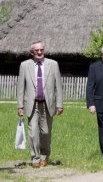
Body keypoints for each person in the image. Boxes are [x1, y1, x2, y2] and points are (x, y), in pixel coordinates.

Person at [17, 40, 63, 168]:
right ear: (32, 52)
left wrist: (60, 104)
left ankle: (44, 156)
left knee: (46, 132)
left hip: (48, 104)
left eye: (41, 50)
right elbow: (21, 87)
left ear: (44, 50)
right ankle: (35, 158)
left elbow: (58, 86)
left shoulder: (53, 64)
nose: (39, 52)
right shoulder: (24, 65)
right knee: (33, 132)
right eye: (36, 50)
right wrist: (20, 105)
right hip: (32, 104)